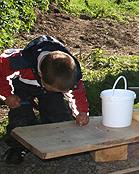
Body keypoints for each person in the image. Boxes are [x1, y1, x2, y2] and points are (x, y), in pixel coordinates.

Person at [0, 35, 90, 165]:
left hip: (48, 86)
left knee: (57, 114)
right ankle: (18, 147)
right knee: (20, 115)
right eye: (58, 90)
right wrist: (7, 95)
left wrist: (81, 112)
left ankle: (57, 142)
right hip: (22, 84)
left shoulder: (69, 71)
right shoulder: (21, 61)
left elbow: (78, 93)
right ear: (41, 76)